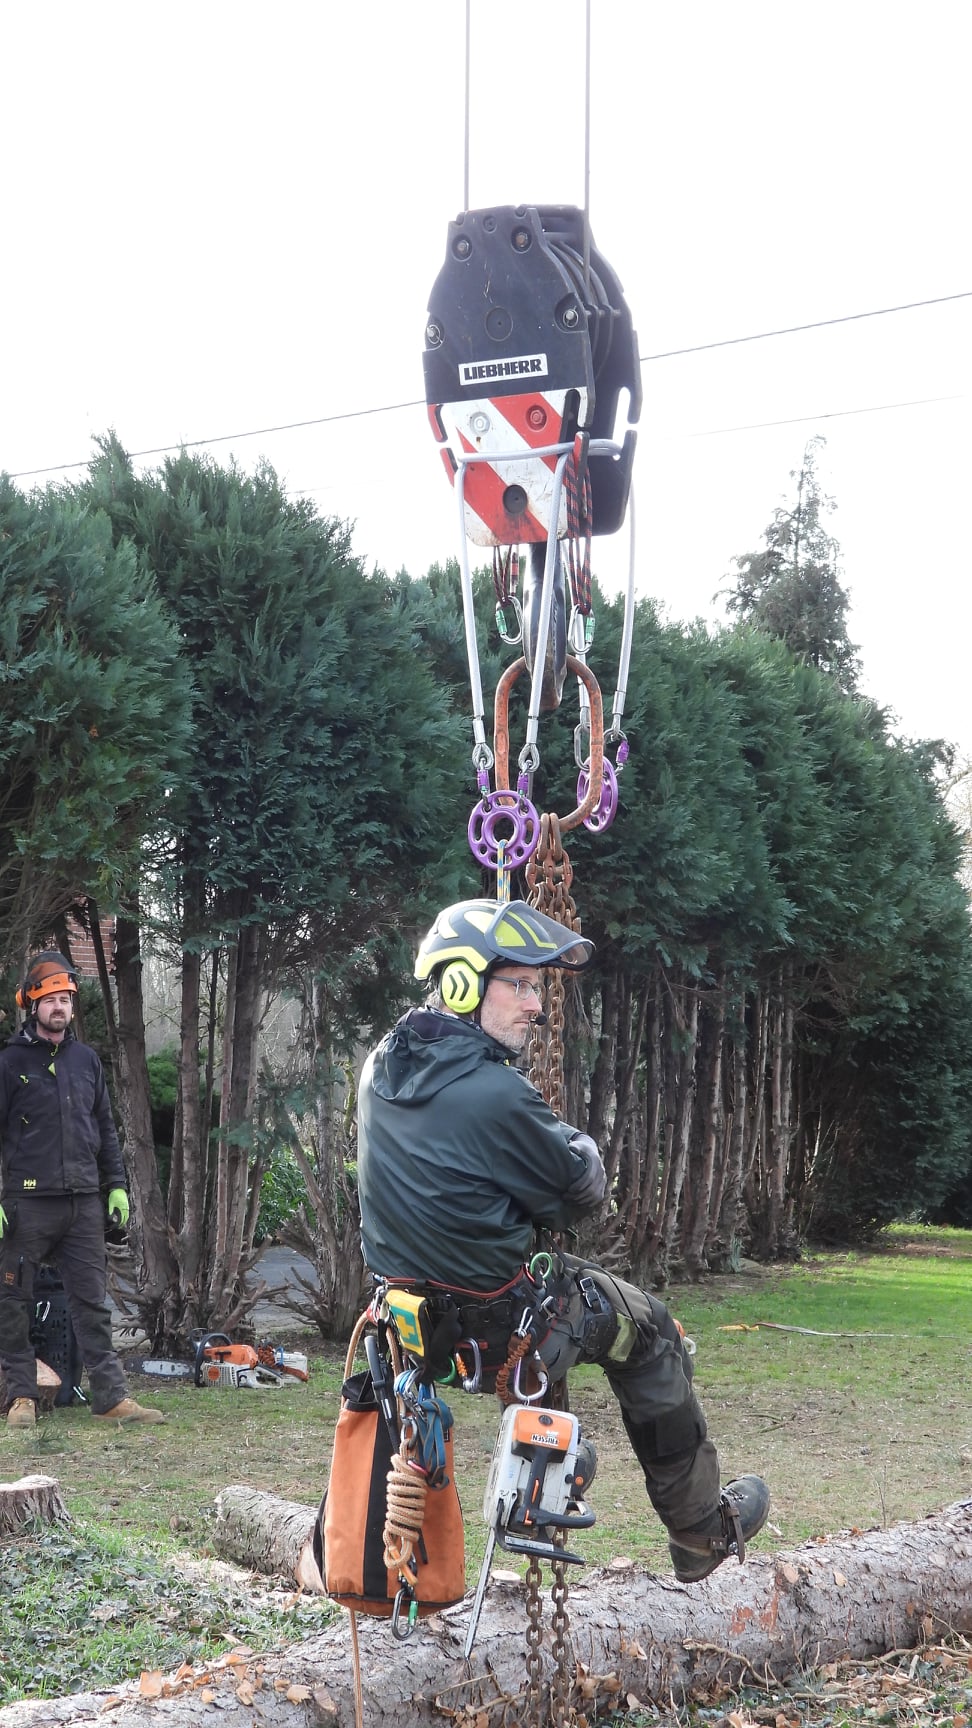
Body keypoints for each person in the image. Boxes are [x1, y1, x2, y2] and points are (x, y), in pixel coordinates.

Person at [357, 899, 769, 1582]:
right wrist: (573, 1144)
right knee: (649, 1332)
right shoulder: (492, 1092)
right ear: (460, 982)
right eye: (519, 984)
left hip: (416, 1332)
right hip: (506, 1324)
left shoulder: (380, 1070)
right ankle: (701, 1532)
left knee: (541, 1312)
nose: (536, 1005)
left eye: (537, 987)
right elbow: (581, 1188)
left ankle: (547, 1481)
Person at [0, 950, 164, 1429]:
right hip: (26, 1202)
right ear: (32, 1004)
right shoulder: (9, 1063)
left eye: (66, 999)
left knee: (92, 1303)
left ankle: (110, 1396)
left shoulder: (86, 1061)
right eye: (50, 999)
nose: (59, 1007)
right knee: (13, 1303)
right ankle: (21, 1397)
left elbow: (105, 1130)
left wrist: (116, 1186)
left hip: (82, 1203)